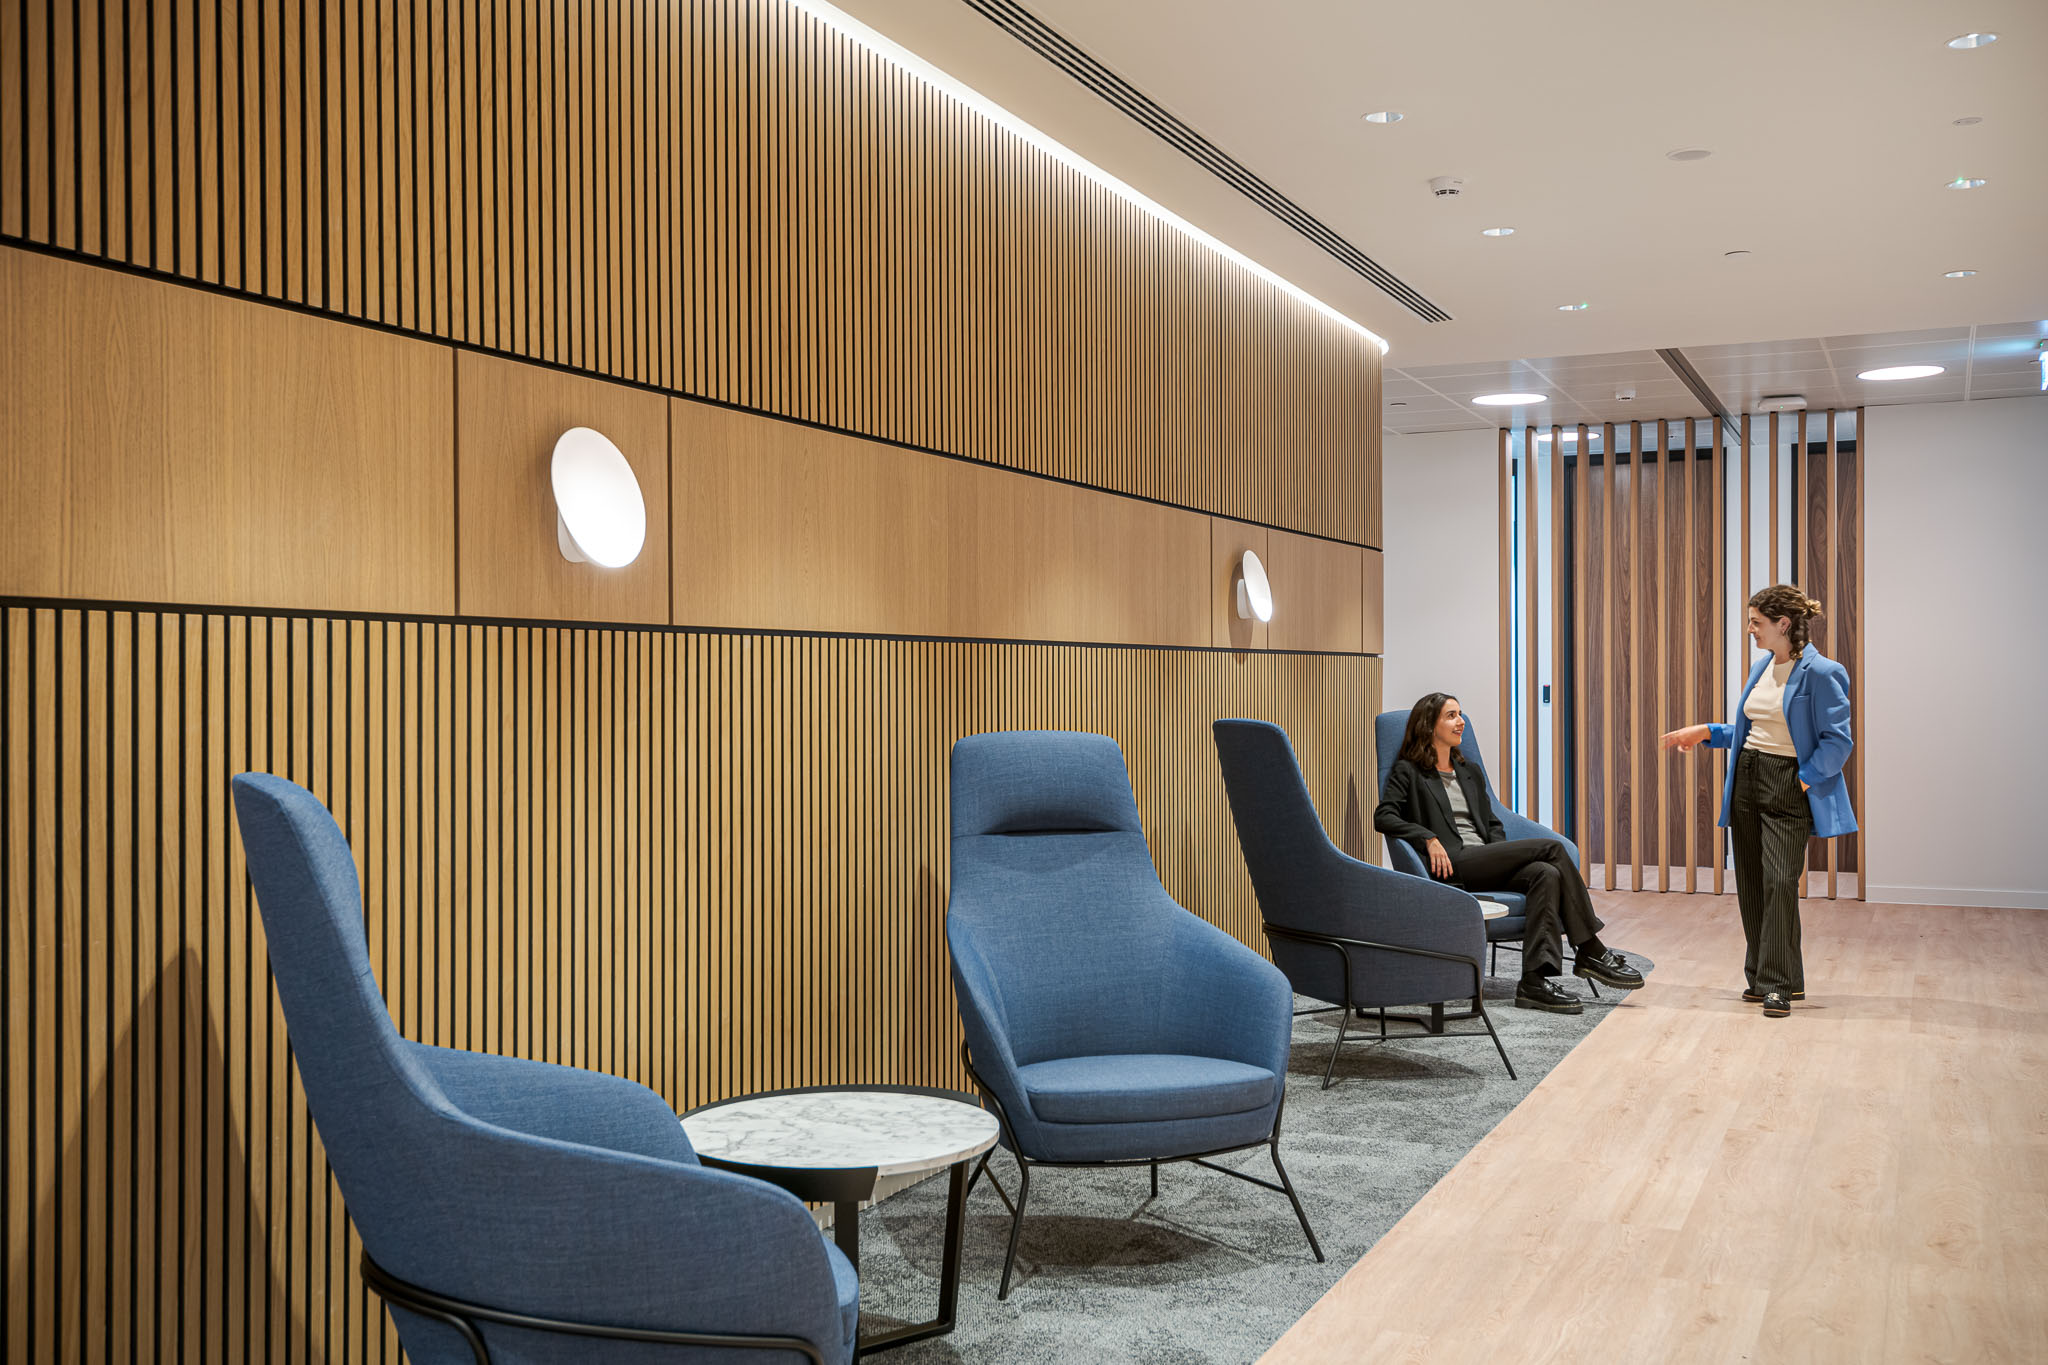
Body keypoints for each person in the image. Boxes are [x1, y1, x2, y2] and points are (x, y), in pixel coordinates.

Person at [1375, 692, 1644, 1014]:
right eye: (1450, 716)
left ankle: (1534, 981)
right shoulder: (1410, 772)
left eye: (1460, 714)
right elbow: (1384, 815)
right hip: (1454, 863)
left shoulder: (1468, 771)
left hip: (1484, 859)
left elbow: (1492, 823)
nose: (1461, 721)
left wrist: (1499, 854)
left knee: (1547, 872)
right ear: (1428, 725)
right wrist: (1429, 838)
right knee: (1553, 848)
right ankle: (1589, 947)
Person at [1661, 584, 1856, 1019]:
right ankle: (1767, 978)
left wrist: (1802, 781)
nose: (1750, 630)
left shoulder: (1823, 672)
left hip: (1789, 783)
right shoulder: (1762, 667)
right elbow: (1754, 729)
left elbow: (1838, 742)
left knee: (1780, 881)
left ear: (1783, 624)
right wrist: (1708, 732)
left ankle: (1777, 985)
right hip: (1747, 777)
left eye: (1756, 622)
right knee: (1751, 882)